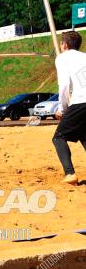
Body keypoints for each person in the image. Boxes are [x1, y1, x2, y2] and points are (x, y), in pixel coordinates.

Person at [52, 30, 86, 184]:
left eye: (61, 42)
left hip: (81, 101)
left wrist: (62, 109)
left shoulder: (62, 58)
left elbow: (64, 85)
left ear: (65, 44)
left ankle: (70, 173)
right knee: (84, 135)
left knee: (59, 137)